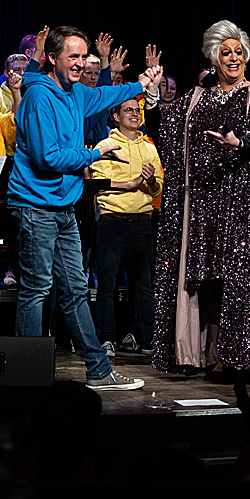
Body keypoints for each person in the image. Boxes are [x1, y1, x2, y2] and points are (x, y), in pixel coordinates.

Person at [9, 25, 162, 391]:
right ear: (52, 58)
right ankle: (25, 374)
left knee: (76, 290)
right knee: (36, 289)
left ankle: (98, 369)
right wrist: (96, 153)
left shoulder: (76, 92)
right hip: (35, 206)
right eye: (72, 56)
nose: (79, 63)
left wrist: (142, 83)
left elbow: (108, 93)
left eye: (83, 56)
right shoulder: (39, 97)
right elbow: (48, 157)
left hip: (63, 208)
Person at [150, 20, 250, 385]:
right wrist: (150, 97)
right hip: (203, 204)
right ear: (214, 58)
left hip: (244, 204)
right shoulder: (198, 98)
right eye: (225, 52)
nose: (233, 58)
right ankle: (210, 353)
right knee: (209, 279)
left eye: (238, 52)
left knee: (244, 277)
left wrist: (240, 143)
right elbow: (167, 127)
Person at [89, 97, 163, 356]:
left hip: (142, 222)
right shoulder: (105, 146)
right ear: (116, 116)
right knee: (107, 284)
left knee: (143, 285)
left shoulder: (149, 148)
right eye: (128, 110)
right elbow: (98, 183)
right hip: (113, 221)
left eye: (137, 110)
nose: (134, 114)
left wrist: (149, 181)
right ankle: (106, 338)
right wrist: (129, 184)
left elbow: (157, 189)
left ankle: (146, 338)